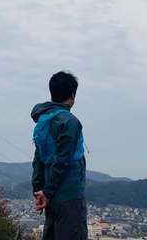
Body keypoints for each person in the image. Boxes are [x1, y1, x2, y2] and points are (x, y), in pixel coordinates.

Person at [31, 71, 87, 240]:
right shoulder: (69, 122)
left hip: (50, 196)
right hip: (69, 194)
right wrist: (47, 193)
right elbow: (63, 160)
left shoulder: (44, 120)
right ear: (72, 94)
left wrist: (39, 190)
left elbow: (38, 158)